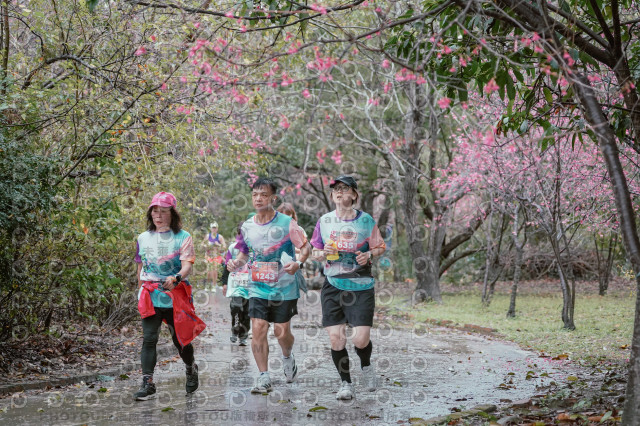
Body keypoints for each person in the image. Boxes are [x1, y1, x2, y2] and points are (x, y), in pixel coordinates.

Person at [227, 178, 311, 393]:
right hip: (257, 286)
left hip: (284, 287)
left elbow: (305, 247)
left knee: (282, 333)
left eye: (263, 195)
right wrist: (236, 263)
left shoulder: (287, 223)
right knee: (258, 327)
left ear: (273, 198)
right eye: (255, 195)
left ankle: (287, 356)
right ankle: (263, 376)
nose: (258, 199)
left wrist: (298, 263)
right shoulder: (247, 226)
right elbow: (244, 254)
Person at [310, 176, 386, 400]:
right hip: (333, 285)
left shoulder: (366, 221)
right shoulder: (324, 221)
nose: (339, 192)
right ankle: (346, 383)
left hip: (361, 287)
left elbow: (380, 246)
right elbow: (315, 251)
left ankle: (366, 365)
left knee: (360, 339)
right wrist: (321, 253)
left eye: (344, 189)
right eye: (336, 189)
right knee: (336, 338)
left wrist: (369, 254)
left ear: (354, 194)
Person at [134, 191, 207, 401]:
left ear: (172, 214)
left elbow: (187, 266)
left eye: (163, 211)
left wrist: (176, 278)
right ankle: (147, 383)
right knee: (149, 338)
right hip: (150, 294)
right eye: (155, 211)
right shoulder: (142, 238)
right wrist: (139, 291)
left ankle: (190, 367)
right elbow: (140, 268)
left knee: (180, 340)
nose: (158, 216)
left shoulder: (183, 237)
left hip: (175, 295)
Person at [221, 223, 251, 346]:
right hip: (236, 284)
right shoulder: (233, 248)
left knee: (247, 312)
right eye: (240, 234)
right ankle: (235, 331)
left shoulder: (254, 248)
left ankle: (243, 336)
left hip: (250, 285)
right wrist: (224, 283)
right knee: (236, 308)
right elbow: (226, 266)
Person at [202, 221, 226, 290]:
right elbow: (202, 244)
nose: (214, 229)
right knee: (208, 271)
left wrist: (218, 244)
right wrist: (206, 245)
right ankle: (207, 284)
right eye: (213, 228)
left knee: (215, 270)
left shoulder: (220, 237)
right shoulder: (207, 236)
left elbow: (224, 247)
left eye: (215, 228)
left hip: (217, 256)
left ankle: (214, 285)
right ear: (210, 228)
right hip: (208, 255)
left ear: (217, 228)